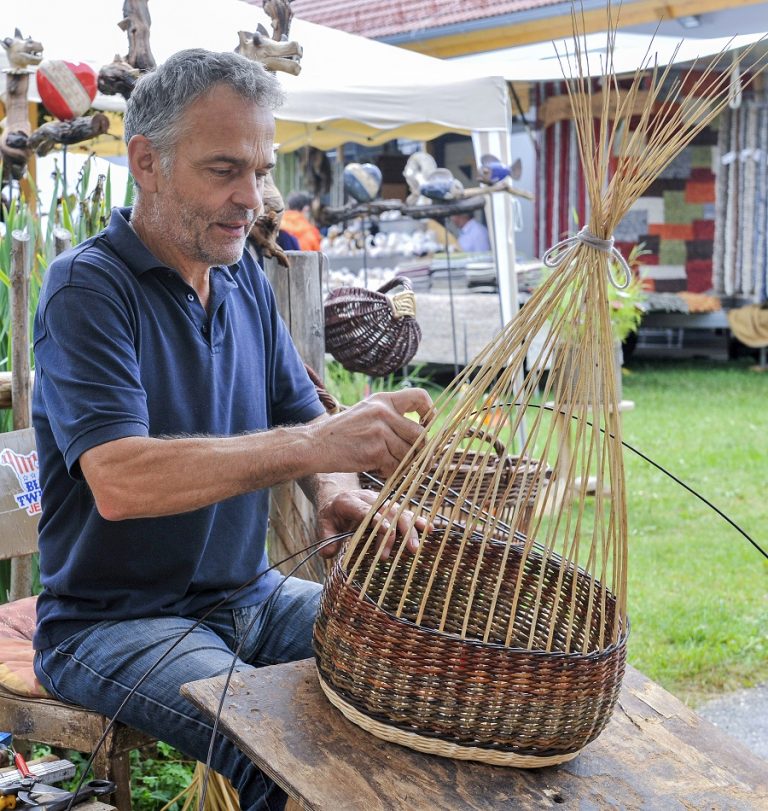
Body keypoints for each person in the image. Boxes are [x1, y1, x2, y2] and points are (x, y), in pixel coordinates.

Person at [31, 49, 432, 811]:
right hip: (110, 622)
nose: (254, 197)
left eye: (262, 168)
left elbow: (301, 411)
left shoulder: (243, 274)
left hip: (248, 596)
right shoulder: (88, 288)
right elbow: (120, 479)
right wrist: (315, 447)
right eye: (224, 170)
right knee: (282, 750)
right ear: (146, 162)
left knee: (413, 663)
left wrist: (334, 491)